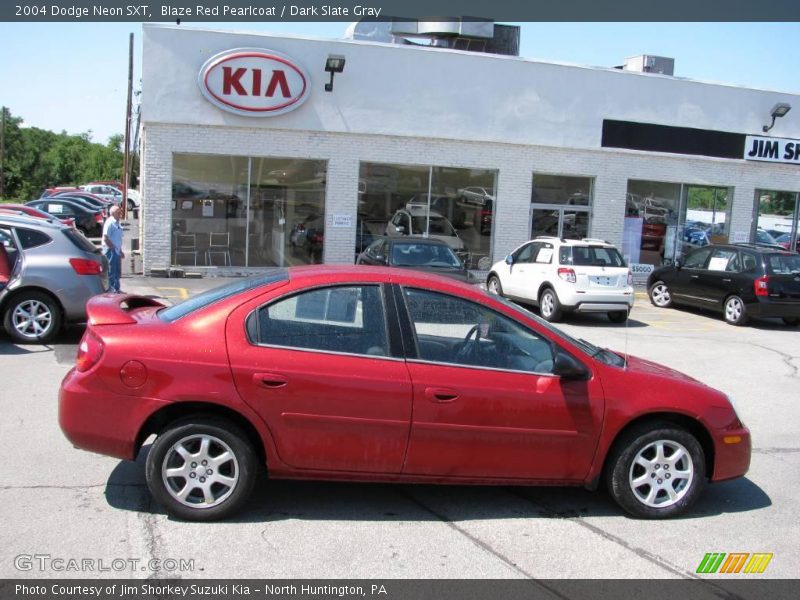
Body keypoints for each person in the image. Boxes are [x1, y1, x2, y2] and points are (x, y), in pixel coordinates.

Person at [102, 205, 125, 293]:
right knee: (111, 271)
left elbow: (118, 238)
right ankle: (111, 290)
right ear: (113, 213)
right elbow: (105, 238)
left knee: (117, 271)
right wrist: (112, 248)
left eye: (120, 212)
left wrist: (120, 251)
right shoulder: (110, 222)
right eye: (118, 212)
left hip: (117, 250)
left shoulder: (117, 222)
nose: (120, 214)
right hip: (111, 250)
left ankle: (117, 288)